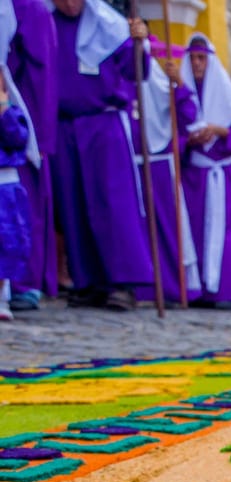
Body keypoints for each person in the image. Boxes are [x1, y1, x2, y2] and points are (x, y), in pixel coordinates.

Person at [50, 0, 151, 312]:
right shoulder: (47, 23)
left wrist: (139, 43)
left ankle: (122, 283)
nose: (68, 3)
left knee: (112, 203)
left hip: (103, 125)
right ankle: (88, 281)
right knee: (73, 204)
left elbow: (138, 72)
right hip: (64, 125)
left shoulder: (110, 26)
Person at [180, 34, 231, 308]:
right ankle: (197, 289)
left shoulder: (230, 99)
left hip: (224, 176)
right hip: (195, 175)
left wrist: (221, 131)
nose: (197, 64)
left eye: (201, 58)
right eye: (193, 58)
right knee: (195, 230)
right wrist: (189, 141)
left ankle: (224, 291)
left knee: (226, 233)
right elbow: (170, 131)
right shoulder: (180, 94)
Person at [133, 36, 198, 305]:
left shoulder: (163, 83)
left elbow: (189, 117)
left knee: (169, 230)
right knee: (136, 228)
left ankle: (173, 286)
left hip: (160, 164)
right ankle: (141, 285)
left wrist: (179, 85)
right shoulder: (122, 80)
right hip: (132, 161)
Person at [3, 0, 53, 311]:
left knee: (8, 237)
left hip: (5, 180)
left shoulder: (29, 9)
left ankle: (8, 293)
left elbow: (18, 136)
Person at [0, 64, 31, 320]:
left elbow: (18, 139)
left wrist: (3, 109)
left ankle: (1, 298)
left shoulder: (12, 114)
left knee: (5, 245)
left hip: (4, 187)